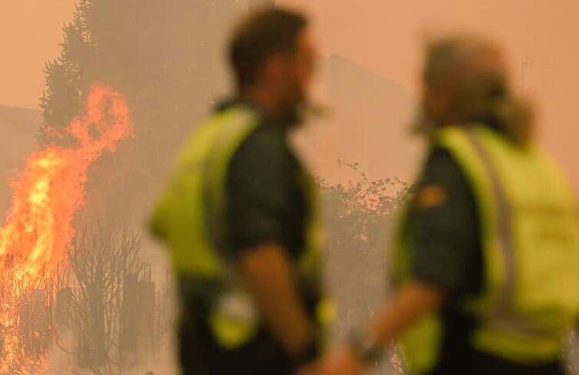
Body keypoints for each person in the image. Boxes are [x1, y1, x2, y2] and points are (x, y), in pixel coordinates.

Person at [323, 34, 579, 375]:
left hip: (473, 357)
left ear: (445, 91)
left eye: (427, 87)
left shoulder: (457, 159)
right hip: (547, 360)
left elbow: (434, 276)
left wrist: (357, 353)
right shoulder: (538, 166)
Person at [149, 7, 330, 375]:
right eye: (306, 64)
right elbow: (260, 256)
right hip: (256, 353)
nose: (311, 80)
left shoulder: (209, 139)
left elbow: (163, 224)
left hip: (206, 350)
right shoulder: (257, 146)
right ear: (276, 67)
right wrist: (307, 353)